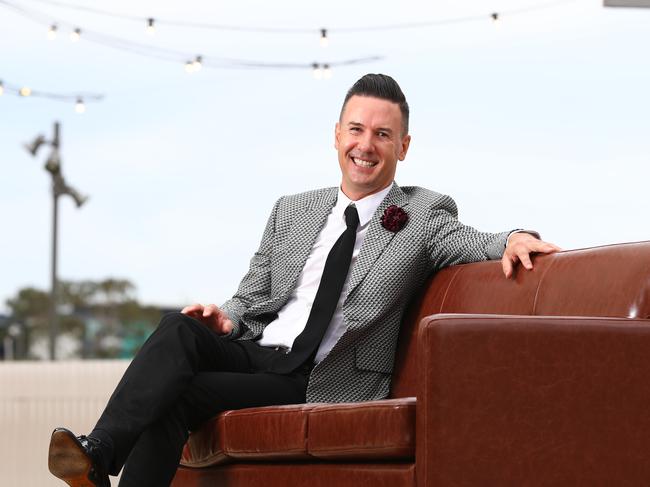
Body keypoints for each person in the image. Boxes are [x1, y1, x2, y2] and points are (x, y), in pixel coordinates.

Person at [48, 73, 560, 487]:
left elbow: (467, 240)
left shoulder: (422, 213)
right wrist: (226, 317)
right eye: (356, 129)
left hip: (319, 373)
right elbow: (251, 296)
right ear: (336, 135)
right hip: (263, 350)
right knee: (179, 327)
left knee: (178, 396)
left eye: (383, 134)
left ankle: (99, 462)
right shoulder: (292, 211)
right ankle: (97, 453)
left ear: (403, 147)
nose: (366, 144)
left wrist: (514, 236)